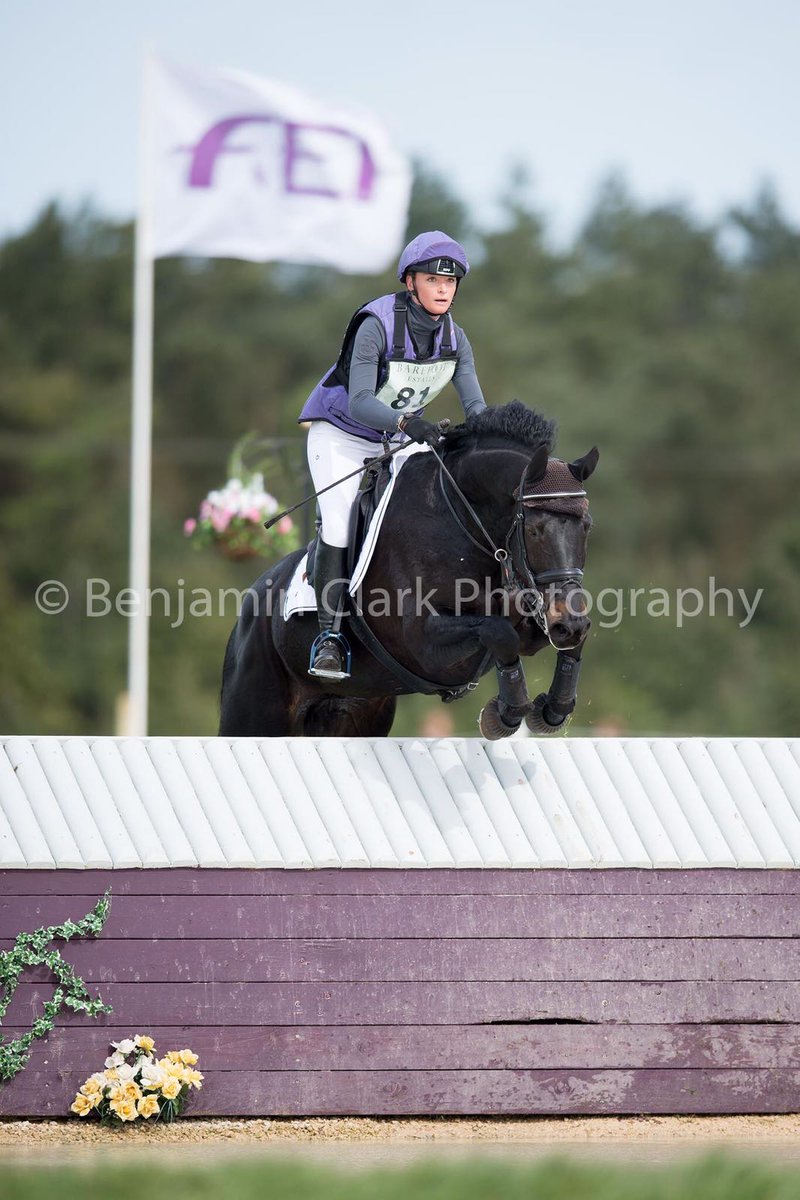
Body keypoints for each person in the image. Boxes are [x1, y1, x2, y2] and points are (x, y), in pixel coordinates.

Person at [298, 230, 487, 680]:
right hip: (341, 433)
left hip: (397, 439)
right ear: (410, 282)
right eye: (433, 279)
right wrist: (407, 425)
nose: (444, 289)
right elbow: (362, 400)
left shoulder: (457, 341)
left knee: (419, 515)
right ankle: (329, 636)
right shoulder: (375, 325)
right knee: (342, 521)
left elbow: (477, 408)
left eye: (451, 282)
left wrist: (490, 438)